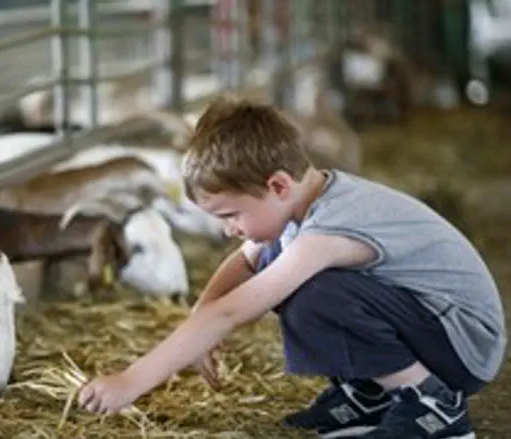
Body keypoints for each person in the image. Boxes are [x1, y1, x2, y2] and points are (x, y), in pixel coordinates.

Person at [76, 96, 507, 439]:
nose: (229, 230)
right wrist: (198, 314)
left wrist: (131, 381)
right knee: (289, 277)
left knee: (313, 293)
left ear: (278, 185)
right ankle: (372, 395)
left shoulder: (331, 227)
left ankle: (433, 405)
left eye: (230, 215)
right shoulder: (298, 206)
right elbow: (242, 262)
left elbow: (232, 311)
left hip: (464, 345)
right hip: (431, 327)